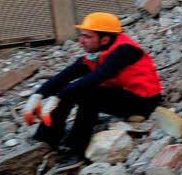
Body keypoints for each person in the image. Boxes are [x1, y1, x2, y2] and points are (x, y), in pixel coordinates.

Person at [23, 12, 162, 158]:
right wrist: (38, 94)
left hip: (143, 102)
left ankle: (75, 151)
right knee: (72, 91)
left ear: (105, 39)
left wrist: (58, 96)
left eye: (87, 37)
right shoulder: (100, 51)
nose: (81, 41)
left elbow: (98, 76)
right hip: (123, 94)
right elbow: (67, 74)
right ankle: (46, 138)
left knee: (88, 96)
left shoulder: (124, 51)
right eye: (81, 35)